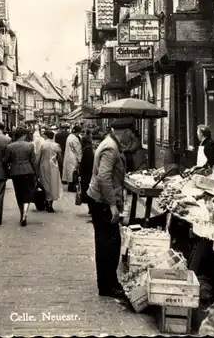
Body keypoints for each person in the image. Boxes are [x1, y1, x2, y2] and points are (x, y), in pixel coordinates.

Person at [87, 117, 134, 298]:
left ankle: (109, 282)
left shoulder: (111, 144)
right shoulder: (110, 148)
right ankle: (107, 286)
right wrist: (113, 205)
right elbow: (103, 177)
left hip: (100, 199)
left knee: (109, 242)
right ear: (123, 132)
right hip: (102, 201)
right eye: (129, 134)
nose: (130, 138)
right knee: (109, 244)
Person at [4, 127, 38, 226]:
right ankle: (25, 214)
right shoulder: (30, 146)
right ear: (24, 135)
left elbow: (5, 160)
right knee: (27, 194)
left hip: (15, 172)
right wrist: (37, 174)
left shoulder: (10, 146)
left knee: (19, 194)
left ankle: (21, 213)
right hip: (28, 171)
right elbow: (34, 161)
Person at [37, 129, 63, 212]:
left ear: (46, 136)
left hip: (43, 166)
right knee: (53, 185)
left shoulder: (42, 145)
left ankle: (45, 201)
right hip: (53, 167)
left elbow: (38, 157)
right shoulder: (56, 146)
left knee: (44, 184)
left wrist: (36, 168)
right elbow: (60, 159)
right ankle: (50, 204)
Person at [79, 129, 94, 219]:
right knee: (90, 192)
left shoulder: (86, 151)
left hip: (87, 175)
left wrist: (80, 174)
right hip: (90, 174)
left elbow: (83, 164)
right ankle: (91, 209)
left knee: (88, 192)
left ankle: (91, 209)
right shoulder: (90, 150)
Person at [63, 124, 82, 192]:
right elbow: (78, 150)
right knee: (73, 173)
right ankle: (72, 187)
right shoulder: (75, 139)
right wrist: (80, 159)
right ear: (78, 132)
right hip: (73, 157)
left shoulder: (69, 137)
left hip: (68, 156)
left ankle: (70, 186)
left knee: (70, 173)